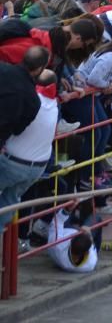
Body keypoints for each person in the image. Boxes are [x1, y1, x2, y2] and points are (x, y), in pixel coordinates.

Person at [0, 49, 53, 227]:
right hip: (29, 165)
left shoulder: (3, 70)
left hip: (12, 163)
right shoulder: (33, 100)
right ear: (39, 68)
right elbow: (18, 129)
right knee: (10, 201)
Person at [46, 206, 98, 273]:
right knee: (96, 217)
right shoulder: (91, 263)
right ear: (87, 253)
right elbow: (93, 248)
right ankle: (76, 216)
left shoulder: (58, 245)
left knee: (62, 209)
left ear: (71, 241)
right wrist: (89, 235)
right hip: (75, 230)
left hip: (65, 230)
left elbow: (56, 224)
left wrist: (66, 210)